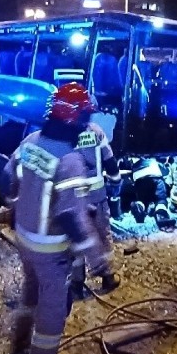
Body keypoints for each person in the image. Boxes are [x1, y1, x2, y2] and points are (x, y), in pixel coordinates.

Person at [6, 83, 111, 354]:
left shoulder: (31, 141)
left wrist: (21, 203)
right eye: (84, 116)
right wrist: (98, 258)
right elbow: (70, 216)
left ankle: (20, 338)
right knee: (53, 306)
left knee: (30, 289)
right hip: (50, 249)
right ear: (74, 120)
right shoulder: (71, 160)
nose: (87, 123)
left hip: (24, 237)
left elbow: (6, 177)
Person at [70, 107, 122, 299]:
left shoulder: (64, 135)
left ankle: (76, 283)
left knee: (76, 240)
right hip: (97, 197)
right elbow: (110, 161)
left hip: (75, 199)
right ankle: (107, 277)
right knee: (102, 236)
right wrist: (116, 181)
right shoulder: (96, 131)